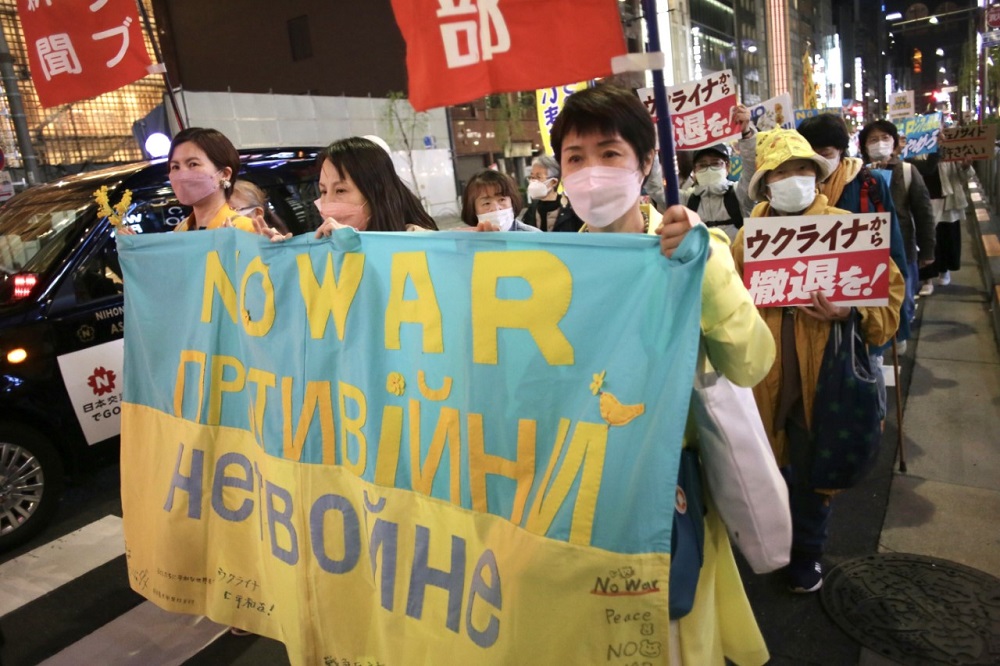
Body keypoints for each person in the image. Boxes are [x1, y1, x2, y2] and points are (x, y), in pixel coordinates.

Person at [550, 82, 776, 666]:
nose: (591, 173)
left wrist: (704, 272)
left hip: (666, 487)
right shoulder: (555, 265)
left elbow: (750, 363)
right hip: (580, 490)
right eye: (575, 158)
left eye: (609, 153)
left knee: (672, 630)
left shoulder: (696, 252)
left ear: (646, 162)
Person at [734, 128, 904, 595]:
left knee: (813, 471)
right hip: (760, 377)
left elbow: (889, 297)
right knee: (763, 467)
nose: (793, 179)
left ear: (816, 175)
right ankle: (768, 547)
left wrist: (852, 309)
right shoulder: (748, 239)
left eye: (802, 169)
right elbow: (723, 301)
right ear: (766, 183)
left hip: (823, 377)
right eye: (781, 172)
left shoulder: (847, 228)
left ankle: (807, 553)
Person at [859, 120, 935, 327]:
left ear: (894, 143)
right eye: (873, 139)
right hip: (866, 250)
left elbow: (924, 213)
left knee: (904, 297)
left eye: (885, 138)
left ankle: (901, 336)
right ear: (864, 146)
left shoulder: (908, 171)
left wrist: (927, 251)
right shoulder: (856, 173)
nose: (880, 143)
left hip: (902, 248)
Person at [313, 137, 438, 236]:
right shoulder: (327, 246)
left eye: (340, 190)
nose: (327, 203)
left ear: (376, 192)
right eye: (323, 191)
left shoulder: (420, 241)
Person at [680, 105, 758, 242]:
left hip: (737, 263)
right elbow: (656, 189)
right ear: (695, 171)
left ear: (727, 166)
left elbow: (751, 168)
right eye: (702, 165)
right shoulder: (687, 200)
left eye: (716, 163)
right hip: (702, 263)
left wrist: (745, 133)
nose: (709, 168)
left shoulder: (739, 194)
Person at [167, 128, 256, 233]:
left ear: (225, 174)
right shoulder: (179, 230)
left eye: (193, 164)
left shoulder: (247, 230)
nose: (182, 175)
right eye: (175, 167)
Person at [909, 152, 972, 295]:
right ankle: (927, 280)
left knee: (946, 237)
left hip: (946, 200)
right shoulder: (913, 150)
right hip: (921, 202)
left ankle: (944, 270)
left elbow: (962, 177)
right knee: (924, 240)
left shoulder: (949, 150)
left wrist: (965, 166)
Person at [519, 155, 584, 232]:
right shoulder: (531, 209)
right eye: (532, 177)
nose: (533, 181)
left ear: (553, 182)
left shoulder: (572, 210)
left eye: (539, 177)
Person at [460, 169, 540, 231]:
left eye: (502, 200)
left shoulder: (533, 237)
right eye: (487, 203)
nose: (496, 208)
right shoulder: (466, 244)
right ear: (473, 209)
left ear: (512, 201)